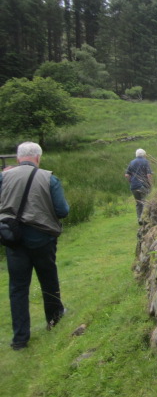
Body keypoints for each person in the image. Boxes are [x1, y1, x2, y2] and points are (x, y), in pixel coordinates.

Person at [0, 142, 69, 351]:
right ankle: (54, 319)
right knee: (48, 279)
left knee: (18, 287)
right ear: (38, 158)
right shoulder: (49, 178)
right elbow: (62, 210)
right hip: (42, 238)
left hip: (13, 238)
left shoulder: (4, 177)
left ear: (18, 158)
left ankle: (20, 339)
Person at [125, 149, 153, 225]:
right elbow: (149, 175)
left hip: (134, 186)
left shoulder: (132, 162)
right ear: (144, 155)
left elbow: (127, 175)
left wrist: (130, 181)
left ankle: (139, 219)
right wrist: (150, 184)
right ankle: (143, 218)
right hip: (143, 185)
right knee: (145, 202)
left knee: (138, 203)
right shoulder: (146, 162)